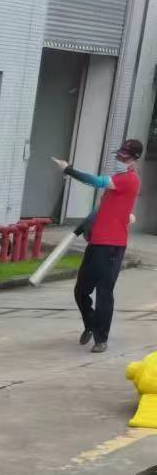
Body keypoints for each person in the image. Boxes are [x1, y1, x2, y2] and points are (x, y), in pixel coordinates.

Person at [52, 138, 143, 352]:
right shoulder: (118, 179)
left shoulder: (129, 179)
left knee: (104, 292)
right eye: (119, 154)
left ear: (134, 159)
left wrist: (68, 170)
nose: (120, 158)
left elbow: (95, 181)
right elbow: (103, 209)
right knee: (81, 291)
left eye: (125, 156)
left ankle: (101, 339)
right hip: (97, 244)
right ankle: (91, 325)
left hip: (112, 246)